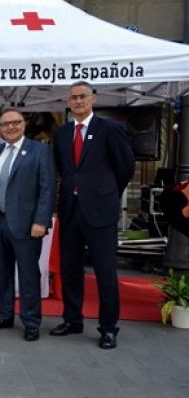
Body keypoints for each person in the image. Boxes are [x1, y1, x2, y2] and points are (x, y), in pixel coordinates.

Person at [51, 81, 135, 349]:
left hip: (100, 211)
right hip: (70, 211)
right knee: (70, 269)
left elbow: (126, 168)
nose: (78, 101)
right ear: (68, 101)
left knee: (105, 272)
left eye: (82, 96)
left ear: (93, 99)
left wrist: (106, 193)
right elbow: (62, 171)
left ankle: (108, 328)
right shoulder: (62, 133)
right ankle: (72, 320)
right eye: (73, 97)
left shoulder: (110, 129)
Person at [0, 109, 55, 342]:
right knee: (3, 273)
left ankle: (31, 322)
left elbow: (47, 189)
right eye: (5, 124)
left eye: (15, 123)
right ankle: (5, 315)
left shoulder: (39, 151)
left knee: (28, 274)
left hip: (27, 225)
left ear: (24, 124)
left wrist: (41, 221)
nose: (10, 127)